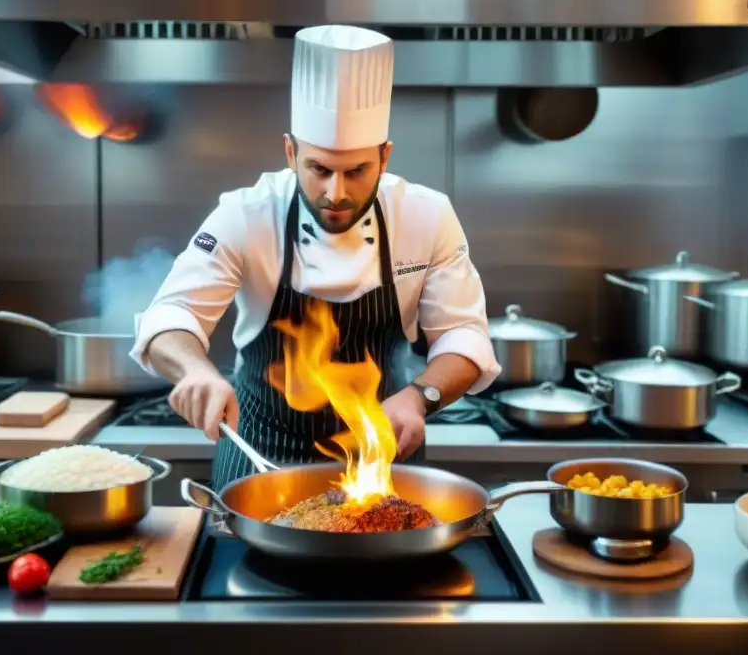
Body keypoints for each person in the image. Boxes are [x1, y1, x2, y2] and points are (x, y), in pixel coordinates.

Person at [131, 24, 501, 490]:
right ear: (291, 152)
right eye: (319, 169)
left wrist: (419, 397)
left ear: (384, 157)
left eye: (357, 171)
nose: (336, 193)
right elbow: (171, 314)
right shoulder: (247, 213)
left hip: (381, 452)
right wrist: (195, 370)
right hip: (260, 451)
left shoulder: (426, 216)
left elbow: (464, 335)